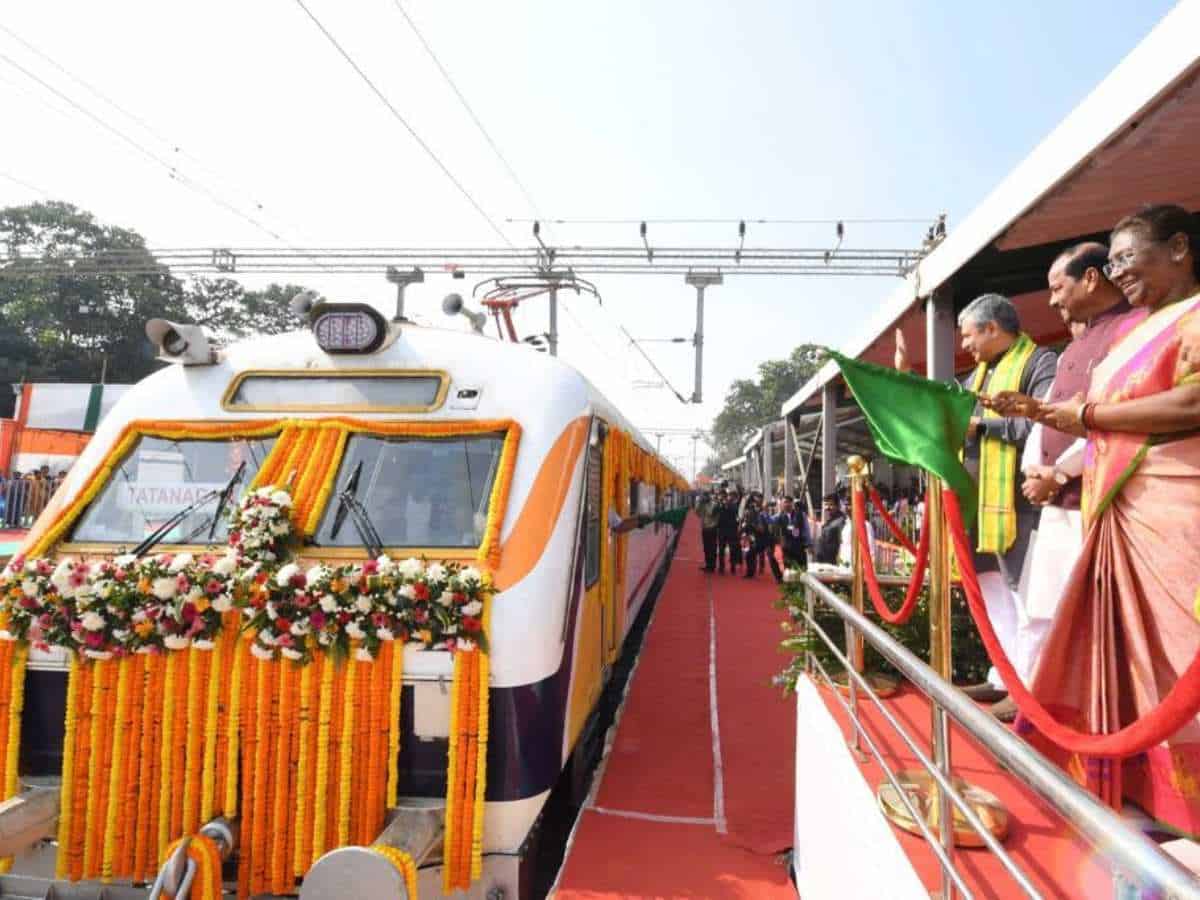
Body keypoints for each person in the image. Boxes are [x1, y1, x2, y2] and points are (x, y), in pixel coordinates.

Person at [1007, 204, 1200, 832]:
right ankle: (1144, 787)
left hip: (1176, 511)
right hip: (1117, 510)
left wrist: (1085, 418)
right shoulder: (1137, 330)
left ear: (1178, 247)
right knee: (1130, 659)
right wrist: (1058, 420)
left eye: (1125, 257)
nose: (1118, 273)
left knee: (1179, 653)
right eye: (1111, 262)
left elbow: (1192, 399)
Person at [987, 242, 1136, 722]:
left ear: (1091, 278)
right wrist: (1037, 461)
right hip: (1056, 501)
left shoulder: (1131, 334)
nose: (1052, 301)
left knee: (1095, 623)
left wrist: (1059, 472)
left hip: (1096, 499)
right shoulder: (1077, 344)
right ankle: (1029, 699)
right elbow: (1050, 418)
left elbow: (1113, 419)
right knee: (1039, 609)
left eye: (1058, 288)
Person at [955, 293, 1057, 706]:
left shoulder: (1040, 363)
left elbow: (1045, 425)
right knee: (993, 593)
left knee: (1026, 597)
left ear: (992, 328)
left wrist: (982, 428)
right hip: (979, 506)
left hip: (1020, 505)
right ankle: (1003, 676)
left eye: (968, 336)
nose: (965, 346)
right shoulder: (977, 376)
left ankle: (1030, 688)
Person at [776, 495, 812, 574]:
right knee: (789, 570)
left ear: (792, 503)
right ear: (782, 504)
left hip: (799, 546)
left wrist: (808, 544)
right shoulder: (780, 517)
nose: (786, 504)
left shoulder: (800, 515)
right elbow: (776, 530)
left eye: (788, 502)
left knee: (802, 570)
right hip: (787, 548)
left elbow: (806, 530)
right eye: (785, 502)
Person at [813, 494, 846, 565]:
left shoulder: (841, 521)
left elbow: (842, 543)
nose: (828, 507)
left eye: (831, 505)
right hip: (823, 562)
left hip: (832, 563)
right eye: (826, 505)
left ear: (838, 506)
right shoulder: (830, 520)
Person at [716, 487, 740, 574]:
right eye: (719, 495)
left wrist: (727, 505)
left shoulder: (732, 504)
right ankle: (721, 567)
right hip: (721, 530)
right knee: (721, 549)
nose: (721, 497)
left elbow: (735, 511)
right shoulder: (718, 504)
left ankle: (732, 566)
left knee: (732, 549)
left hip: (731, 530)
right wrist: (720, 504)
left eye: (722, 495)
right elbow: (715, 513)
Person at [697, 491, 720, 572]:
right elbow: (698, 513)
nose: (703, 498)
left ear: (708, 497)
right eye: (703, 497)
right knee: (706, 548)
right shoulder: (703, 504)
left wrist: (705, 505)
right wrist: (700, 504)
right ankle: (708, 564)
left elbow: (711, 513)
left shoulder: (714, 504)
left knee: (712, 548)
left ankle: (712, 566)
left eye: (705, 496)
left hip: (712, 528)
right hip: (705, 528)